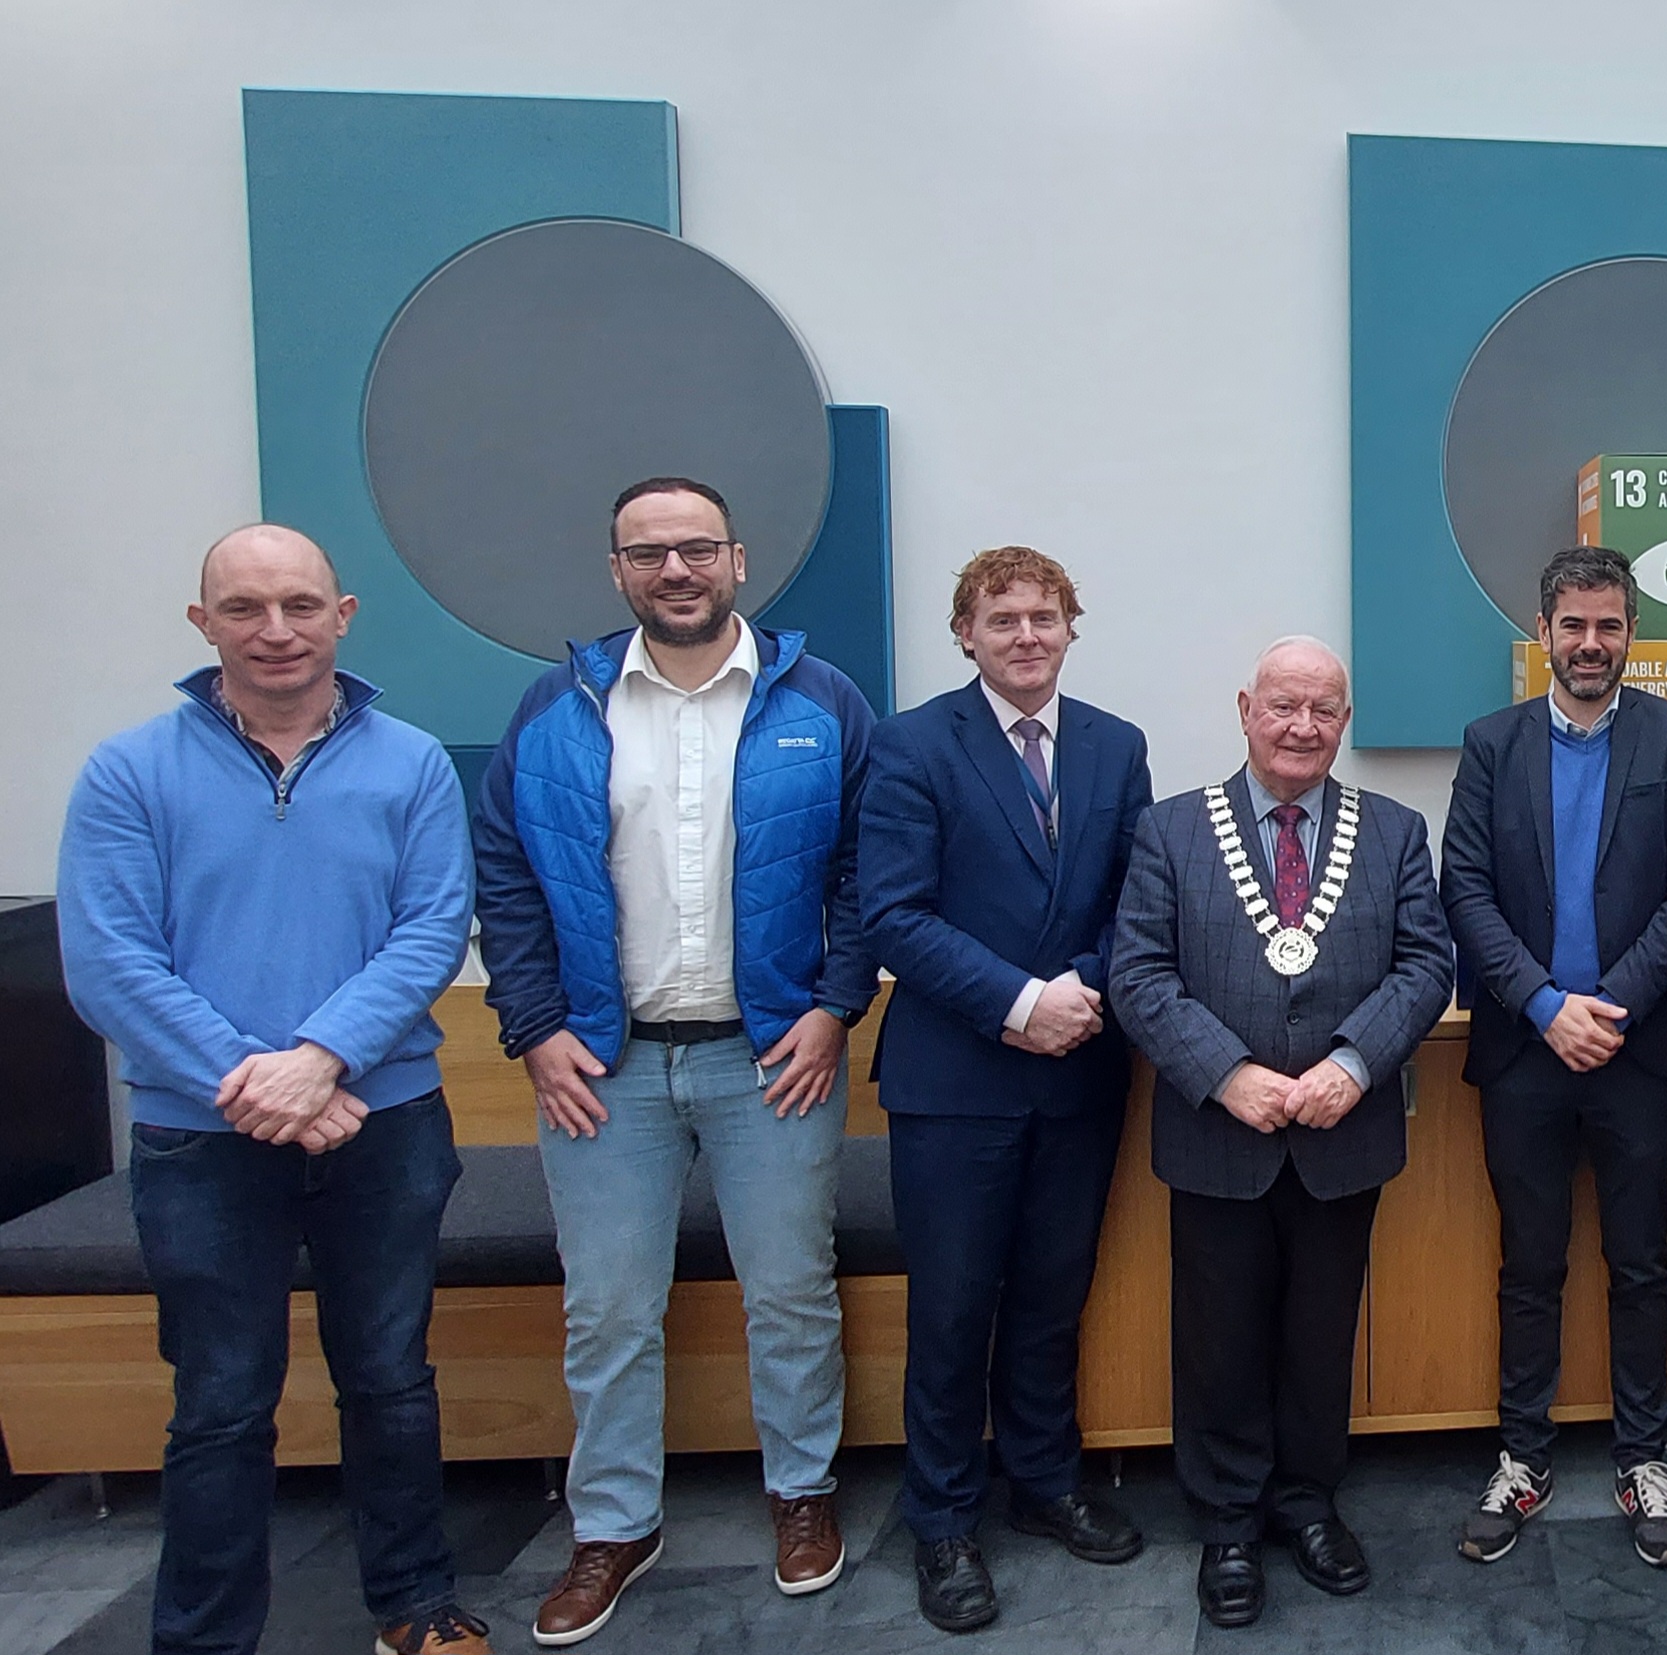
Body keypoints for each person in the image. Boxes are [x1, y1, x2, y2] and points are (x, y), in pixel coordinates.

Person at [57, 526, 487, 1655]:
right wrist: (258, 1080)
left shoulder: (410, 763)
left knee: (391, 1378)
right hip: (201, 1142)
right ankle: (202, 1638)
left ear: (344, 614)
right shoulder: (129, 770)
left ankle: (414, 1603)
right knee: (220, 1403)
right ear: (201, 624)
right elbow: (110, 959)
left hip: (382, 1122)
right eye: (244, 608)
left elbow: (434, 927)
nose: (276, 629)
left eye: (299, 604)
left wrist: (322, 1058)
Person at [472, 477, 880, 1647]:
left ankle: (800, 1493)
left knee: (792, 1291)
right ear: (617, 571)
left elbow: (863, 871)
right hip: (602, 1065)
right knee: (607, 1307)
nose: (676, 568)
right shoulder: (558, 707)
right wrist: (536, 1025)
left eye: (697, 547)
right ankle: (613, 1523)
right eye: (648, 552)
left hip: (773, 1060)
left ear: (739, 559)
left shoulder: (821, 700)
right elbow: (505, 875)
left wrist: (835, 1006)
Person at [1109, 636, 1454, 1630]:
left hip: (1344, 1133)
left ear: (1344, 721)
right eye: (1283, 705)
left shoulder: (1391, 830)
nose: (1302, 725)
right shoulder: (1170, 830)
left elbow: (1426, 963)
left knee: (1319, 1332)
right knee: (1218, 1336)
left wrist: (1352, 1063)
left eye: (1323, 709)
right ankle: (1225, 1519)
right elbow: (1137, 971)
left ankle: (1306, 1501)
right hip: (1219, 1134)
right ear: (1245, 708)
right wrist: (1226, 1074)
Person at [855, 546, 1154, 1634]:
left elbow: (1141, 896)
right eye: (1002, 618)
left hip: (1080, 1070)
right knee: (951, 1309)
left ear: (1071, 627)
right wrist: (1020, 1001)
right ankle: (941, 1519)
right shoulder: (910, 744)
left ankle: (1043, 1481)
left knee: (1048, 1296)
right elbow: (893, 911)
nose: (1025, 635)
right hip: (957, 1078)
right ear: (965, 634)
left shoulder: (1114, 745)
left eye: (1043, 616)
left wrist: (1078, 989)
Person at [1439, 546, 1667, 1568]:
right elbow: (1463, 886)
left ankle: (1644, 1457)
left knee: (1642, 1262)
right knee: (1530, 1264)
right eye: (1574, 625)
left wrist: (1611, 1005)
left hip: (1639, 1052)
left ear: (1631, 632)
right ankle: (1522, 1454)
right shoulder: (1491, 741)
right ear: (1543, 630)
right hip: (1523, 1050)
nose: (1591, 642)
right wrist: (1546, 1003)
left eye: (1609, 625)